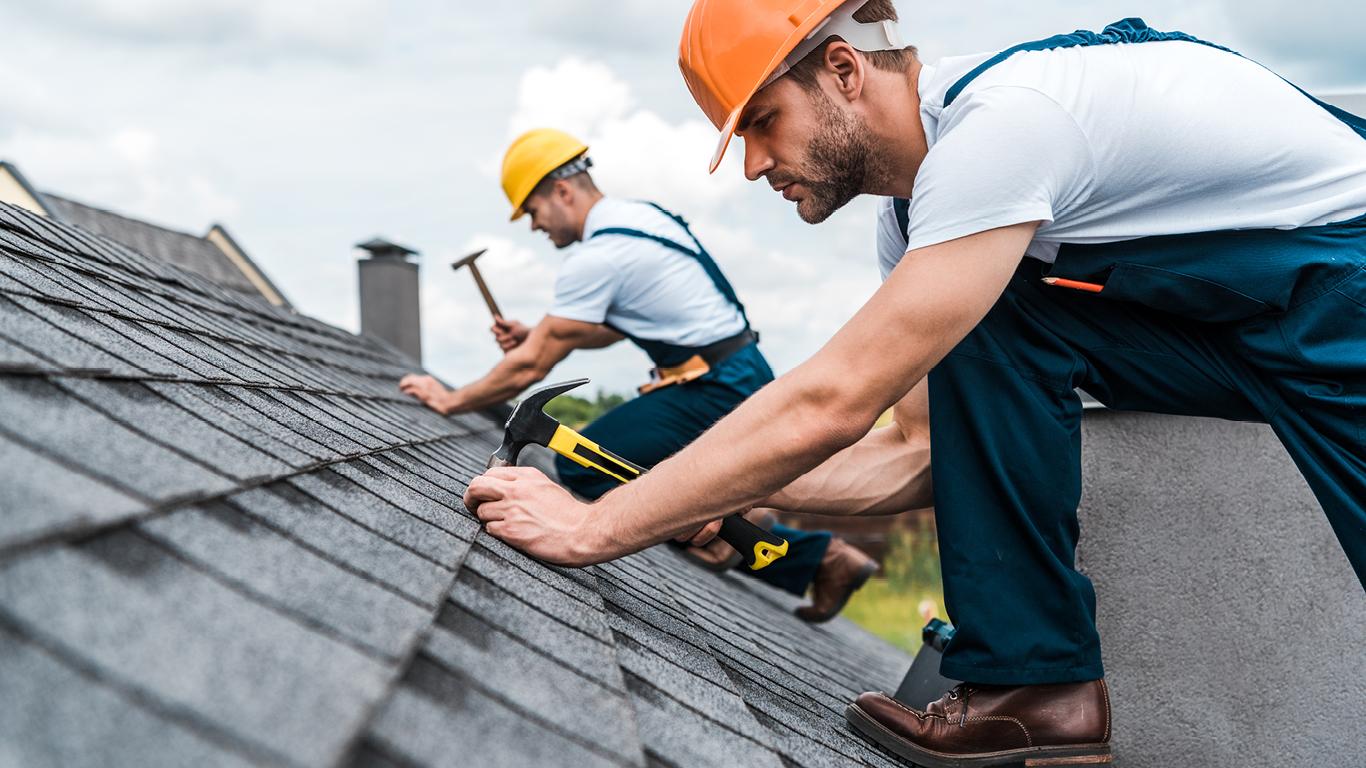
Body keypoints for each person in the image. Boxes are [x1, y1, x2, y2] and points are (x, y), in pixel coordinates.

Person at [461, 2, 1366, 766]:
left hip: (1345, 285)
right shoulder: (922, 227)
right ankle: (1037, 685)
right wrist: (698, 491)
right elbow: (918, 454)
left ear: (845, 70)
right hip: (1241, 321)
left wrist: (596, 524)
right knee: (996, 316)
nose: (751, 165)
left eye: (762, 122)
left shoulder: (1006, 126)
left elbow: (834, 399)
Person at [399, 128, 876, 622]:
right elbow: (608, 329)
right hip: (734, 372)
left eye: (534, 212)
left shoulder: (599, 255)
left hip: (712, 387)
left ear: (562, 191)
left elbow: (531, 365)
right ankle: (777, 542)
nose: (535, 227)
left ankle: (771, 542)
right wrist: (538, 333)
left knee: (584, 467)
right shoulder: (641, 219)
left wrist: (450, 398)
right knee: (662, 480)